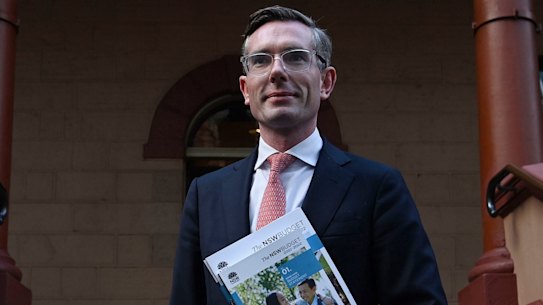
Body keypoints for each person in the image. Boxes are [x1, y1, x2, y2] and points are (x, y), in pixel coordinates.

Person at [169, 5, 448, 305]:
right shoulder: (205, 195)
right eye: (261, 60)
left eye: (296, 57)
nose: (277, 71)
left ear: (326, 82)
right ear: (246, 89)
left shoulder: (378, 186)